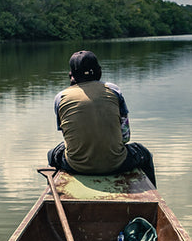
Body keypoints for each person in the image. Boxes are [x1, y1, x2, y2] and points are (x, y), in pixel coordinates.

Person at [47, 50, 158, 185]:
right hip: (117, 164)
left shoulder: (60, 97)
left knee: (52, 154)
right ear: (99, 71)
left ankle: (55, 195)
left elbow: (68, 136)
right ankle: (152, 197)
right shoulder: (113, 90)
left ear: (71, 75)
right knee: (144, 154)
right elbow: (126, 136)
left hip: (76, 166)